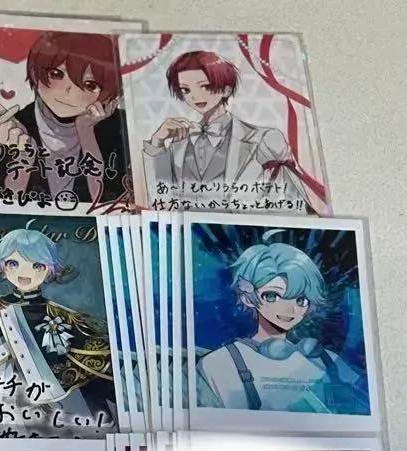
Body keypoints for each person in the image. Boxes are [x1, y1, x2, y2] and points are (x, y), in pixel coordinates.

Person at [0, 227, 114, 427]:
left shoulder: (58, 314)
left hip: (48, 394)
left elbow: (90, 354)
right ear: (2, 266)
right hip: (1, 387)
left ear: (50, 269)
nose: (25, 272)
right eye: (14, 263)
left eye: (37, 266)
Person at [196, 237, 366, 414]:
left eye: (301, 300)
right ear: (247, 298)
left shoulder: (327, 360)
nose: (289, 309)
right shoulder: (219, 363)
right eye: (272, 296)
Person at [142, 51, 324, 214]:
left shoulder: (263, 139)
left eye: (204, 86)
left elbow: (291, 204)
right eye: (186, 90)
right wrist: (157, 142)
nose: (195, 96)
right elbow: (161, 202)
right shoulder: (179, 143)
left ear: (226, 89)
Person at [0, 31, 128, 208]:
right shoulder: (10, 130)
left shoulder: (120, 128)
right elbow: (3, 209)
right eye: (57, 74)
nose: (69, 92)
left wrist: (86, 131)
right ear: (34, 72)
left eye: (89, 85)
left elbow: (111, 207)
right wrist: (23, 156)